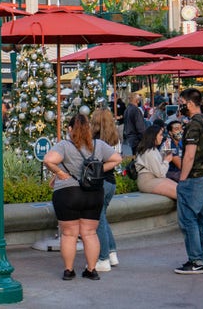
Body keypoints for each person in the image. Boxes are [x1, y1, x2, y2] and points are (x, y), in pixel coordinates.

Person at [43, 114, 121, 280]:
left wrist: (60, 173)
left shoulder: (64, 145)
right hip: (93, 193)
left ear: (70, 129)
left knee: (69, 235)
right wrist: (98, 170)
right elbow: (117, 158)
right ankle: (91, 270)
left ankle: (69, 271)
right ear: (88, 129)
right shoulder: (98, 145)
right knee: (90, 233)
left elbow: (49, 160)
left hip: (68, 193)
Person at [174, 88, 203, 274]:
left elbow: (189, 155)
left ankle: (195, 260)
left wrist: (182, 180)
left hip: (194, 178)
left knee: (188, 219)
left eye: (181, 102)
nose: (179, 105)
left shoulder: (193, 126)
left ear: (190, 104)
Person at [89, 108, 120, 272]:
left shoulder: (95, 141)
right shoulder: (115, 139)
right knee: (103, 217)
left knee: (98, 220)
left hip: (100, 182)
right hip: (111, 182)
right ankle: (112, 252)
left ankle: (103, 258)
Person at [134, 124, 178, 200]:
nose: (162, 137)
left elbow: (157, 163)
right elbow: (160, 173)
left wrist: (165, 153)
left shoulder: (152, 149)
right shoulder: (149, 151)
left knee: (182, 191)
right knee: (179, 194)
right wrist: (166, 161)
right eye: (160, 135)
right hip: (148, 181)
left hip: (153, 179)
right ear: (153, 136)